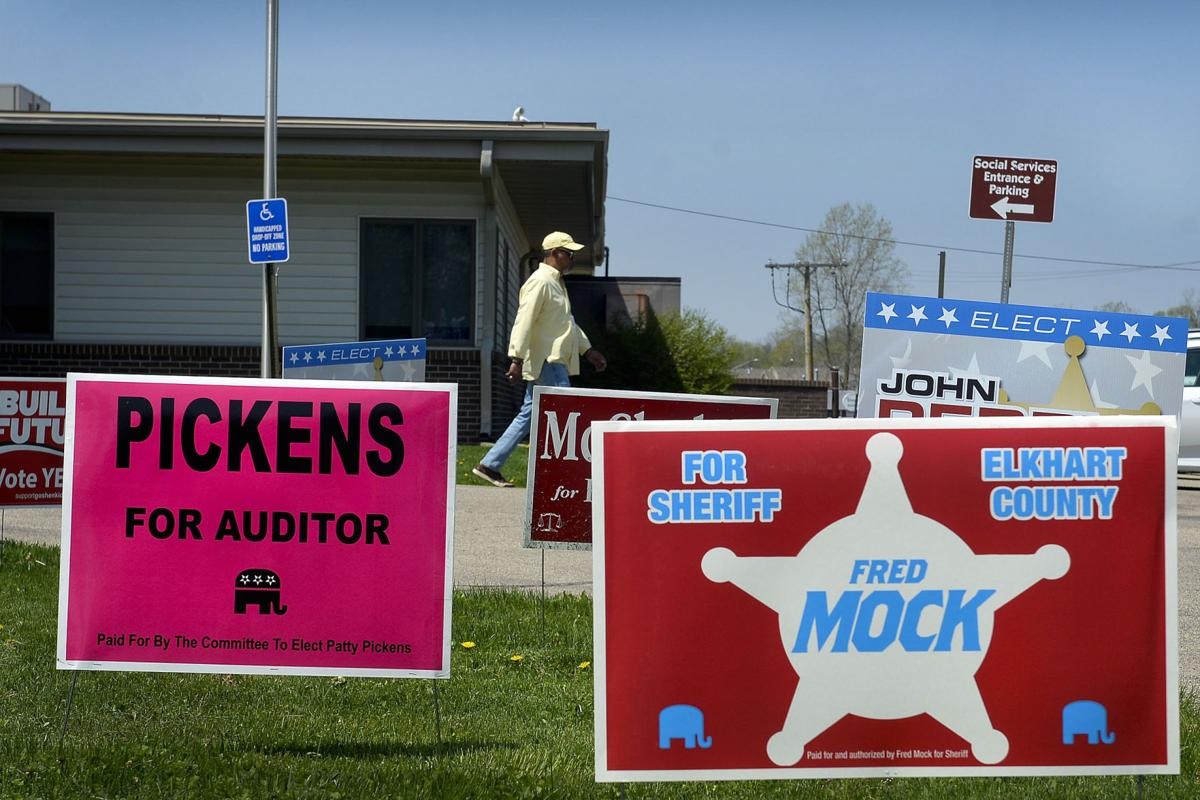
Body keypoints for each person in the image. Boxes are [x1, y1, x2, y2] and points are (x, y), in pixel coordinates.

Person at [473, 231, 607, 487]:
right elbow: (524, 320)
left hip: (552, 360)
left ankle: (490, 464)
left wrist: (588, 351)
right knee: (566, 413)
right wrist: (516, 358)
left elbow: (567, 324)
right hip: (548, 360)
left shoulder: (556, 283)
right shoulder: (541, 281)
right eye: (569, 253)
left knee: (531, 413)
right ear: (554, 253)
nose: (572, 258)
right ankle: (569, 473)